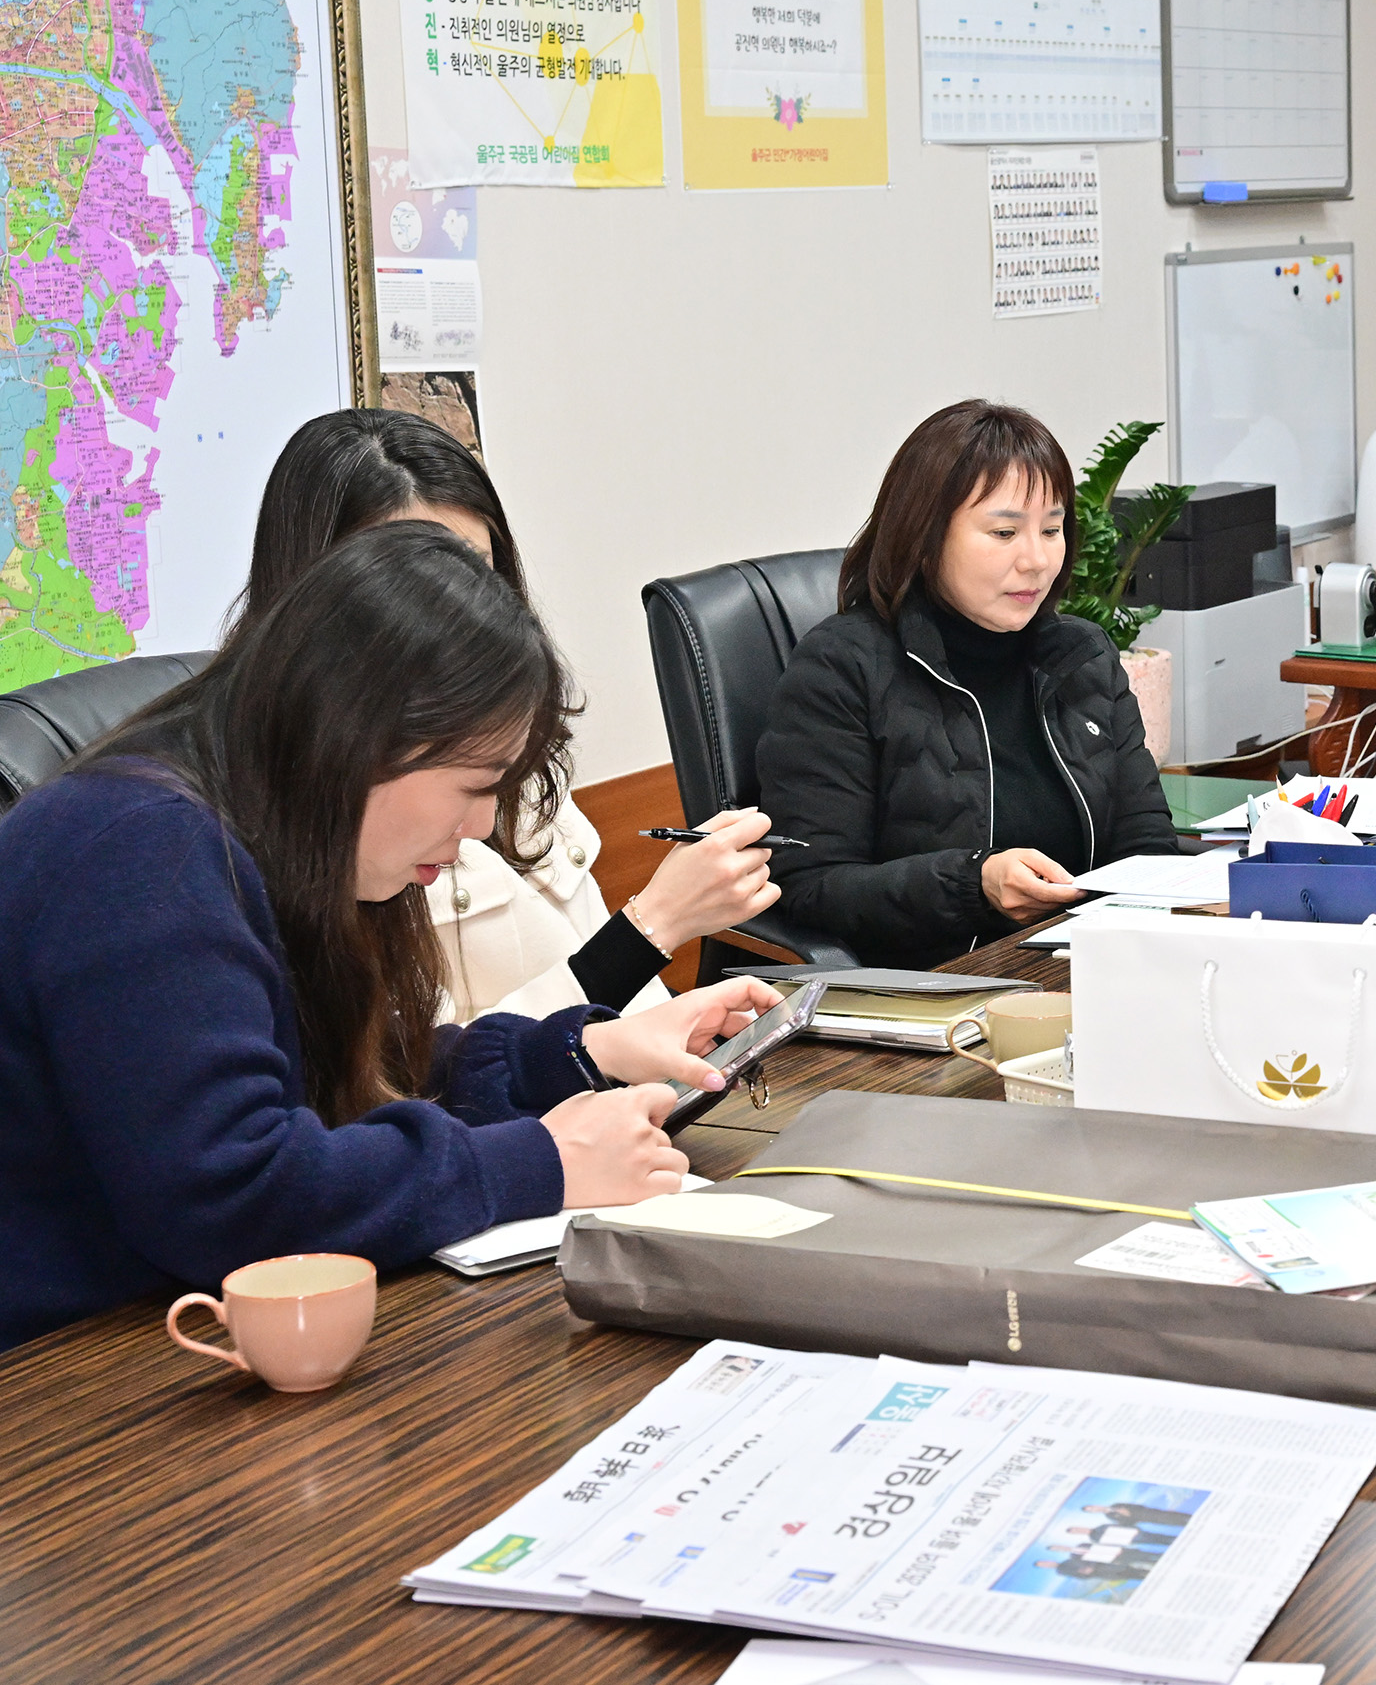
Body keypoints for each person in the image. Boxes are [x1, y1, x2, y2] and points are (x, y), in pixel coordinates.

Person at [0, 524, 782, 1350]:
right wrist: (534, 1165)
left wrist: (582, 1055)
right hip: (59, 1381)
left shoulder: (264, 828)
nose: (481, 826)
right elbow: (233, 1195)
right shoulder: (140, 852)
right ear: (359, 736)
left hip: (170, 1337)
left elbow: (355, 1084)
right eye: (475, 785)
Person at [244, 410, 780, 1021]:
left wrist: (681, 1029)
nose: (456, 607)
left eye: (473, 569)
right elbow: (430, 1075)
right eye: (412, 577)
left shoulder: (509, 737)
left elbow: (592, 963)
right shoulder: (306, 822)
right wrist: (656, 922)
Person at [758, 400, 1177, 970]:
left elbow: (1144, 840)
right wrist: (971, 884)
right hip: (938, 992)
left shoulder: (1081, 654)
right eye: (1004, 532)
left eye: (1052, 529)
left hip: (1089, 967)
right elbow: (810, 886)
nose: (1036, 559)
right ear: (926, 538)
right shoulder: (841, 668)